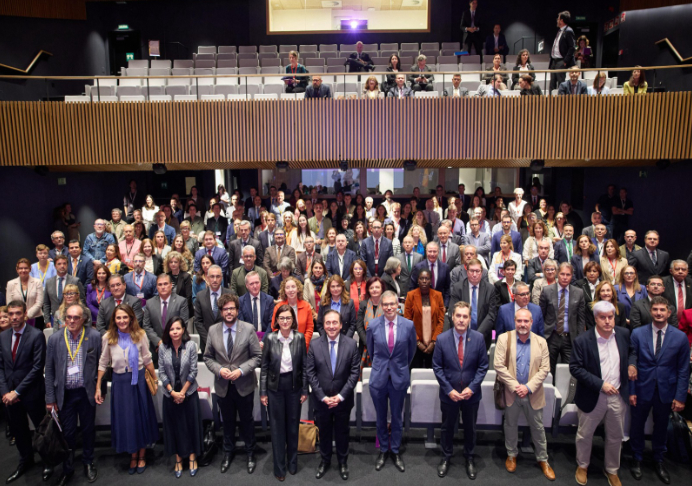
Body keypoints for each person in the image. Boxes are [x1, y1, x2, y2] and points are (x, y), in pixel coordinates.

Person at [628, 296, 690, 483]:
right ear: (651, 311)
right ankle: (637, 458)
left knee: (661, 427)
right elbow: (632, 361)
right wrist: (631, 391)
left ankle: (658, 459)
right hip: (641, 387)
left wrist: (680, 397)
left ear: (669, 312)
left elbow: (683, 369)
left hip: (667, 390)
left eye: (662, 310)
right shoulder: (638, 333)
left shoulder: (680, 337)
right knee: (637, 425)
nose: (659, 313)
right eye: (655, 309)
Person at [569, 301, 630, 486]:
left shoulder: (624, 335)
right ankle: (582, 465)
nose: (607, 321)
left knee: (615, 436)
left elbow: (633, 353)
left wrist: (633, 365)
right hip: (592, 395)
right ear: (596, 318)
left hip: (618, 396)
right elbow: (575, 368)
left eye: (610, 317)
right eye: (602, 317)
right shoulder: (582, 340)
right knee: (584, 434)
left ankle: (612, 469)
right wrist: (601, 384)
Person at [203, 293, 261, 475]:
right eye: (225, 309)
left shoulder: (248, 328)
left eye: (232, 308)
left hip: (244, 384)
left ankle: (251, 453)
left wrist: (241, 370)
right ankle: (228, 453)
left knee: (247, 421)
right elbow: (207, 357)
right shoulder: (212, 330)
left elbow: (257, 356)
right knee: (227, 422)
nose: (229, 312)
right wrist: (219, 370)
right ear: (221, 312)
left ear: (237, 310)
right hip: (223, 385)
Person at [96, 304, 158, 474]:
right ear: (114, 320)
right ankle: (132, 455)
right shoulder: (108, 337)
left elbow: (147, 358)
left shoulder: (140, 335)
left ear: (131, 318)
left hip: (138, 380)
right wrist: (98, 386)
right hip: (120, 382)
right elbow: (103, 362)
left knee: (140, 418)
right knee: (127, 420)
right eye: (118, 318)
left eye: (125, 317)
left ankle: (142, 455)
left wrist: (155, 378)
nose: (122, 321)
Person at [45, 302, 101, 485]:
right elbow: (50, 371)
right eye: (68, 317)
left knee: (87, 430)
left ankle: (88, 461)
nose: (71, 320)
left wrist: (99, 388)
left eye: (76, 317)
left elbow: (101, 364)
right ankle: (67, 468)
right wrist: (50, 398)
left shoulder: (93, 336)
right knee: (67, 433)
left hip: (86, 393)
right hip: (65, 395)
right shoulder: (55, 339)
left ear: (83, 319)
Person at [495, 308, 554, 480]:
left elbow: (545, 369)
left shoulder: (541, 342)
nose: (522, 324)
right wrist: (515, 386)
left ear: (531, 322)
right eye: (519, 321)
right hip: (511, 392)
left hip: (533, 393)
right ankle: (511, 455)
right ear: (515, 321)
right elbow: (499, 366)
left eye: (526, 321)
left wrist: (527, 387)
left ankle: (543, 459)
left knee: (538, 428)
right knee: (510, 425)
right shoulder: (503, 339)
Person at [432, 301, 488, 478]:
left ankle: (469, 458)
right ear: (452, 316)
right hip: (450, 394)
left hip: (471, 394)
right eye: (458, 316)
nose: (461, 320)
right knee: (447, 427)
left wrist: (472, 388)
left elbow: (483, 367)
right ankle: (446, 456)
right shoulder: (441, 339)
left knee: (470, 428)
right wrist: (449, 390)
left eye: (465, 316)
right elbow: (437, 367)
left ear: (469, 318)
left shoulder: (478, 338)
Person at [0, 300, 53, 484]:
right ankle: (26, 460)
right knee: (19, 430)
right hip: (9, 395)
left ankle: (48, 462)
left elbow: (38, 367)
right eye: (10, 314)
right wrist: (6, 392)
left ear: (25, 314)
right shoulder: (3, 336)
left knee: (41, 430)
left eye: (17, 313)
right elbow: (1, 367)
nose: (14, 317)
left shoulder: (36, 335)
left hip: (32, 392)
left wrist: (17, 392)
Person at [307, 309, 360, 480]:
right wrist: (323, 396)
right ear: (323, 325)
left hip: (342, 400)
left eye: (334, 322)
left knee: (342, 431)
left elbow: (354, 374)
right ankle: (325, 460)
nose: (331, 326)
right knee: (324, 431)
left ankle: (343, 462)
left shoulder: (351, 344)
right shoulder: (315, 345)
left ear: (341, 325)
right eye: (328, 323)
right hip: (321, 400)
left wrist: (340, 396)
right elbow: (310, 373)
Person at [367, 291, 416, 472]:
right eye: (385, 304)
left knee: (396, 416)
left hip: (399, 377)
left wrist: (399, 367)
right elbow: (372, 353)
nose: (389, 307)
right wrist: (383, 366)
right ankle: (383, 450)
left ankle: (394, 450)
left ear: (398, 305)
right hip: (379, 378)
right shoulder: (372, 325)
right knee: (380, 418)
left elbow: (411, 353)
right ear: (381, 306)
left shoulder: (408, 325)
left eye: (392, 304)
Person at [260, 304, 308, 481]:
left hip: (294, 387)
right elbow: (264, 367)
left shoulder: (300, 338)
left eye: (288, 318)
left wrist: (305, 389)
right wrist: (263, 392)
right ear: (277, 321)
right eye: (282, 318)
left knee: (293, 426)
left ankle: (293, 463)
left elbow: (304, 366)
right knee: (277, 428)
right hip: (275, 388)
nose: (285, 321)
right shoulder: (271, 339)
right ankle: (279, 467)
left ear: (293, 320)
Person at [539, 262, 587, 376]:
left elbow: (581, 319)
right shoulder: (547, 291)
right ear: (557, 274)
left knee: (568, 371)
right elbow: (540, 316)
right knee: (548, 370)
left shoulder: (579, 293)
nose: (565, 277)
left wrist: (579, 339)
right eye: (562, 274)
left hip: (570, 338)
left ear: (572, 276)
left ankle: (566, 394)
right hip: (551, 336)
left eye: (568, 274)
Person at [142, 274, 189, 361]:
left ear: (171, 285)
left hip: (176, 346)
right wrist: (159, 342)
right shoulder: (149, 303)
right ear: (156, 286)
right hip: (155, 348)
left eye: (165, 284)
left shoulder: (181, 301)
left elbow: (183, 324)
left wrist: (167, 344)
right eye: (160, 284)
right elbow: (147, 326)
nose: (163, 287)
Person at [405, 269, 445, 369]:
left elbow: (441, 321)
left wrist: (434, 341)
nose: (424, 281)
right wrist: (418, 342)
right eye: (421, 278)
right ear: (417, 280)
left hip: (433, 344)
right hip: (415, 344)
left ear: (430, 281)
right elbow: (407, 321)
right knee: (415, 373)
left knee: (432, 375)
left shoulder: (438, 295)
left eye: (426, 278)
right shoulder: (411, 296)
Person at [193, 265, 231, 352]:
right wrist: (208, 341)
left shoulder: (230, 294)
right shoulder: (200, 296)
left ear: (221, 278)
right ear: (207, 277)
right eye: (212, 276)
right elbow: (198, 321)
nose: (214, 280)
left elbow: (234, 319)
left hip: (226, 343)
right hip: (206, 344)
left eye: (217, 276)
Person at [272, 277, 314, 349]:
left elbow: (309, 329)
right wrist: (284, 344)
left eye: (293, 287)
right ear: (284, 291)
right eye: (287, 288)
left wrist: (304, 344)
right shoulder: (278, 307)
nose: (290, 290)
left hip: (302, 346)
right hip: (282, 347)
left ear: (298, 289)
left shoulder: (306, 306)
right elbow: (274, 328)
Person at [43, 254, 85, 323]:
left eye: (64, 263)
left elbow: (82, 300)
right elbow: (46, 303)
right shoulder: (49, 282)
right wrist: (47, 320)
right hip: (55, 318)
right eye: (59, 264)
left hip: (73, 318)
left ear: (67, 265)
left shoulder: (75, 281)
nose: (62, 266)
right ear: (55, 266)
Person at [410, 242, 451, 306]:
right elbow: (412, 287)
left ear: (438, 252)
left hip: (439, 304)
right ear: (426, 252)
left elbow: (447, 288)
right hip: (422, 304)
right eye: (430, 251)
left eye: (434, 251)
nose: (432, 254)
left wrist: (445, 305)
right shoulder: (418, 267)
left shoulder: (445, 267)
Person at [6, 258, 44, 326]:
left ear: (30, 269)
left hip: (35, 318)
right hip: (17, 319)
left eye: (26, 268)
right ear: (17, 269)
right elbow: (9, 304)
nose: (23, 270)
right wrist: (20, 315)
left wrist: (27, 315)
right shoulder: (10, 284)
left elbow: (39, 303)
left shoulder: (37, 282)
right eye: (20, 268)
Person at [549, 10, 576, 92]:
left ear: (562, 20)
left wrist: (565, 61)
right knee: (552, 83)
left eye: (558, 18)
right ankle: (551, 101)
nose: (557, 20)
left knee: (561, 82)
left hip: (561, 61)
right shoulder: (560, 30)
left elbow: (572, 47)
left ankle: (561, 102)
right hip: (554, 61)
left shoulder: (569, 31)